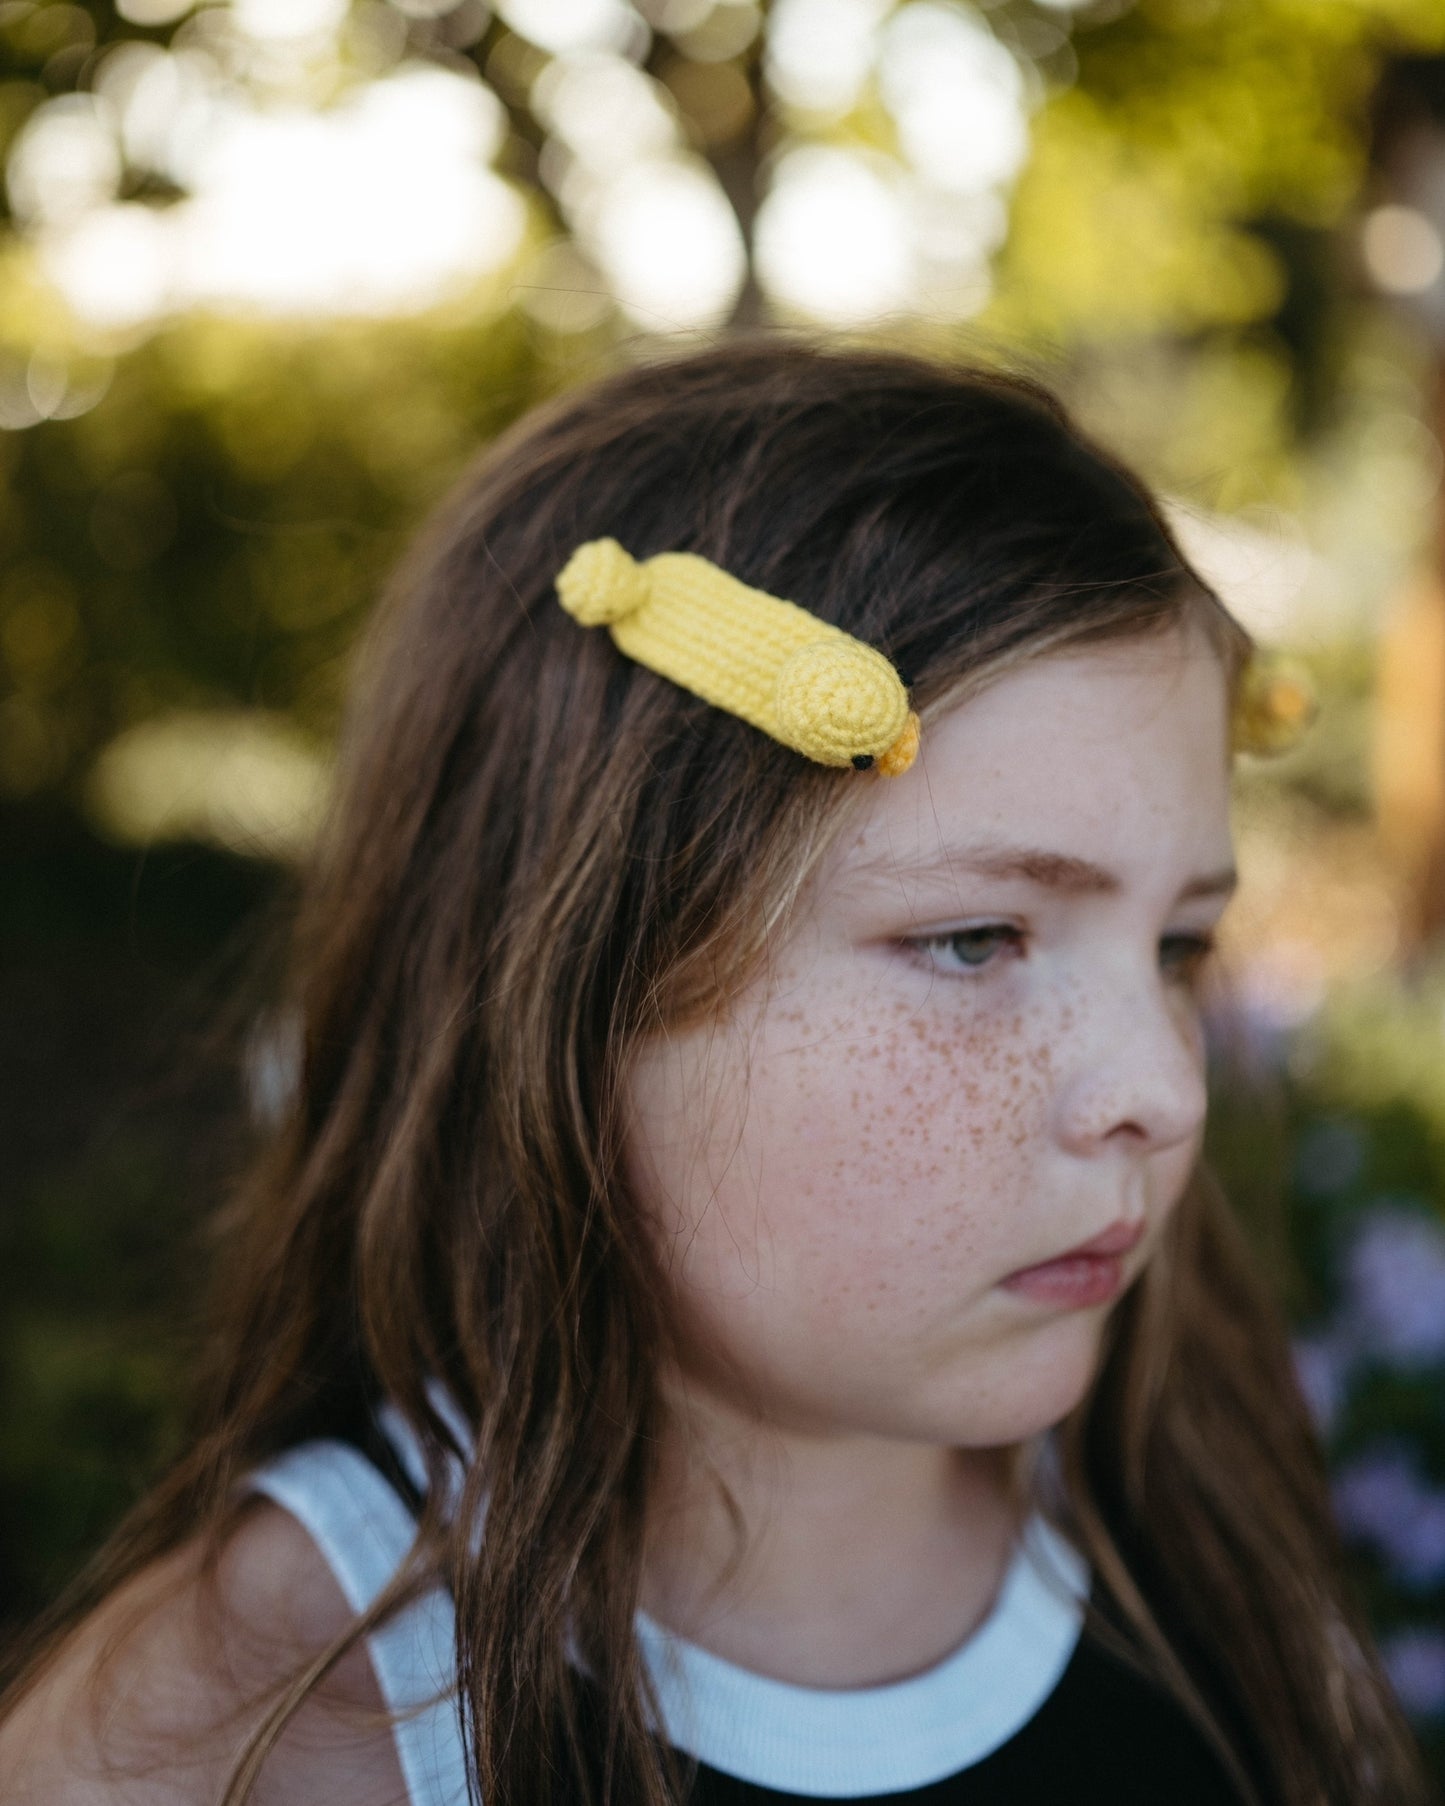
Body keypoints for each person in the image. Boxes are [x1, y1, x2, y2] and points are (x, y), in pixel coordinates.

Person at [0, 340, 1432, 1806]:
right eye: (970, 939)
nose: (1161, 1087)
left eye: (1180, 945)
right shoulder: (245, 1733)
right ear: (560, 984)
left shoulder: (1185, 1540)